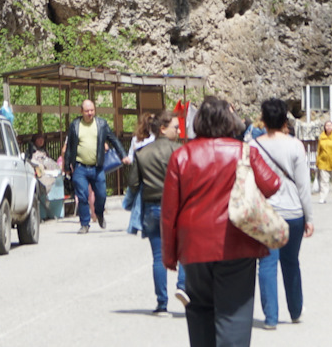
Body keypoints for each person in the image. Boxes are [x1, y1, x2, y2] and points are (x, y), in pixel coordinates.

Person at [163, 95, 282, 346]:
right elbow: (272, 184)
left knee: (199, 310)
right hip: (236, 242)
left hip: (194, 245)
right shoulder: (244, 152)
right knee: (234, 315)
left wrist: (169, 255)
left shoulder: (182, 156)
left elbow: (169, 212)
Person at [253, 99, 315, 329]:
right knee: (291, 262)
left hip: (266, 213)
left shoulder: (253, 145)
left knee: (267, 263)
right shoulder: (295, 145)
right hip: (293, 213)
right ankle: (296, 310)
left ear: (264, 118)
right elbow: (303, 186)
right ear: (284, 119)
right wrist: (309, 218)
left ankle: (270, 318)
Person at [133, 115, 186, 314]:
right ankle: (182, 287)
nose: (179, 131)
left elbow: (133, 183)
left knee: (158, 257)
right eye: (175, 127)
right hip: (177, 207)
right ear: (163, 128)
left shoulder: (142, 153)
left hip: (152, 207)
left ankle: (161, 303)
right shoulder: (180, 151)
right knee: (184, 252)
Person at [65, 98, 124, 234]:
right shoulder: (75, 125)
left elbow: (113, 139)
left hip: (97, 167)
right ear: (81, 111)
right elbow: (69, 147)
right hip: (80, 167)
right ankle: (85, 224)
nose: (90, 113)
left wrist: (123, 155)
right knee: (82, 196)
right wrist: (68, 166)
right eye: (87, 111)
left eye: (92, 110)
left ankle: (99, 213)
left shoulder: (101, 124)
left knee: (102, 194)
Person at [126, 113, 160, 233]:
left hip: (149, 171)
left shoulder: (155, 138)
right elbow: (131, 155)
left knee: (140, 197)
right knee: (138, 197)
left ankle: (136, 223)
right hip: (139, 170)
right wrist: (128, 159)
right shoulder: (136, 139)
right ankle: (136, 221)